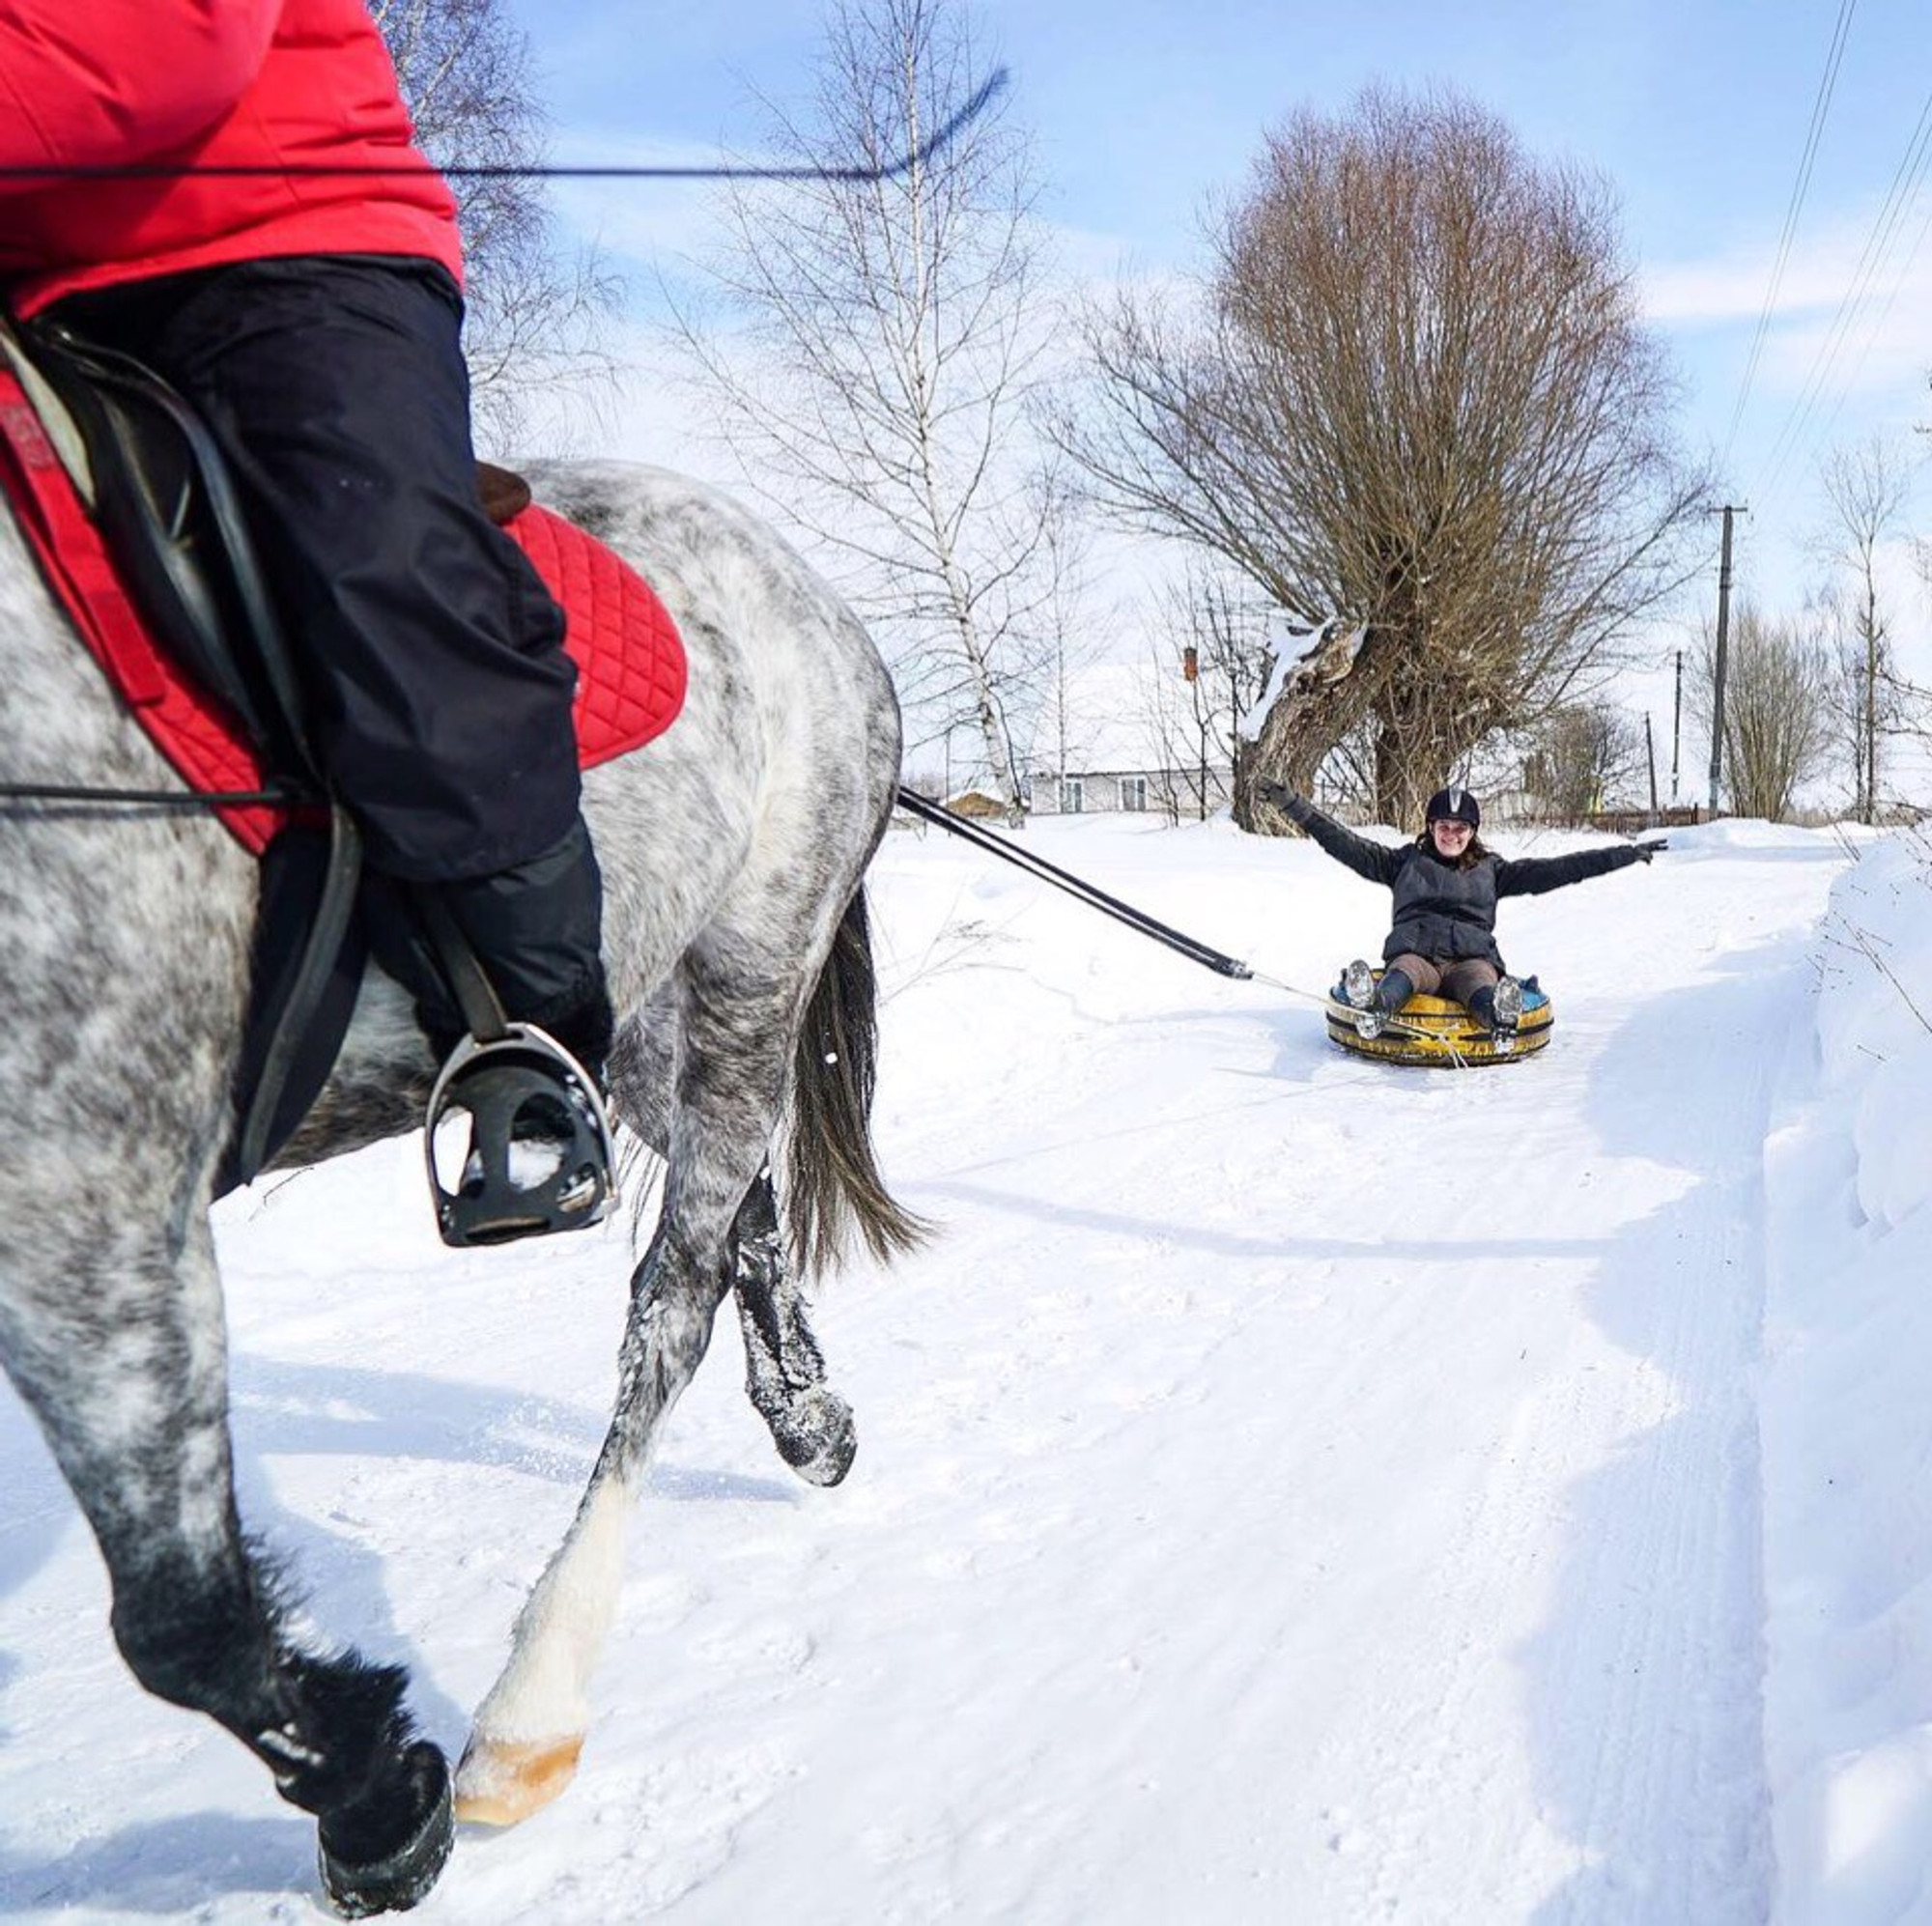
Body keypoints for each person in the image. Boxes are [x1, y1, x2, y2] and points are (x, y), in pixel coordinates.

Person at [0, 0, 612, 1226]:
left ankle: (531, 1034)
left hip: (273, 246)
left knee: (378, 564)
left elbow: (167, 41)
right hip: (35, 286)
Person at [1258, 781, 1664, 1037]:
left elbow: (1562, 870)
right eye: (1443, 827)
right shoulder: (1402, 863)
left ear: (1472, 833)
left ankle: (1499, 1016)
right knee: (1405, 974)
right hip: (1418, 953)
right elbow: (1344, 842)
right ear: (1431, 828)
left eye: (1460, 828)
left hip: (1471, 957)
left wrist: (1625, 854)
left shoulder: (1493, 871)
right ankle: (1376, 1007)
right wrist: (1295, 806)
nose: (1451, 835)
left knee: (1478, 986)